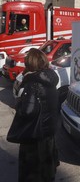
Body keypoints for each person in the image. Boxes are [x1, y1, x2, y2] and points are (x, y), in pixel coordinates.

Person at [12, 48, 60, 182]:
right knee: (47, 170)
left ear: (30, 64)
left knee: (33, 173)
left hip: (34, 135)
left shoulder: (32, 83)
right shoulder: (51, 78)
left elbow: (27, 112)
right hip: (48, 133)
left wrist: (19, 103)